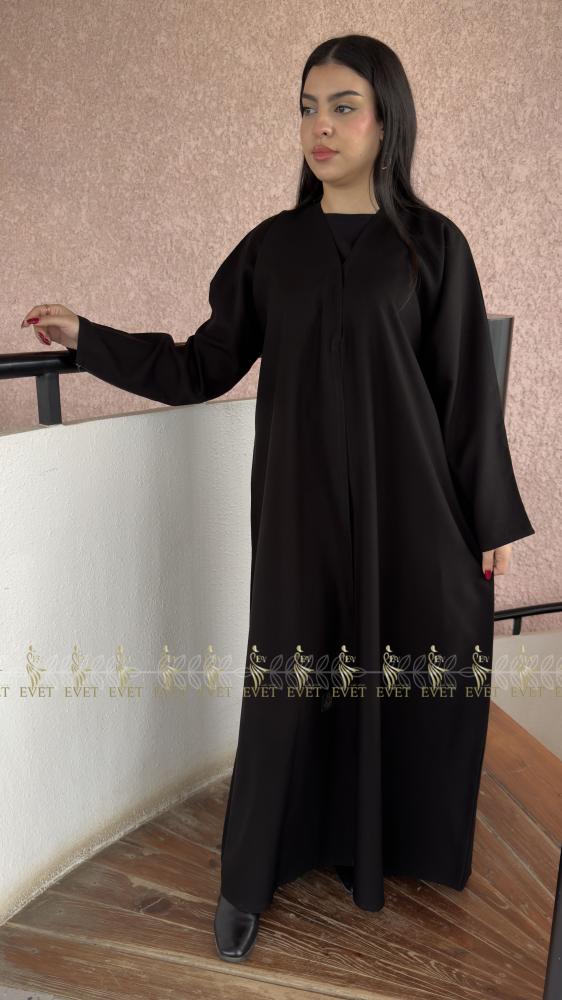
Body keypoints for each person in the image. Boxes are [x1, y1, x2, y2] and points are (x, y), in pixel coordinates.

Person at [21, 34, 535, 964]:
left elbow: (466, 393)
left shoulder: (433, 246)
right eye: (307, 108)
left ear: (386, 120)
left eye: (343, 107)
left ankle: (390, 846)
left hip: (411, 515)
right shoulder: (273, 249)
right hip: (301, 518)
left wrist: (490, 518)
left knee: (410, 664)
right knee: (291, 678)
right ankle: (252, 872)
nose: (320, 127)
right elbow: (200, 365)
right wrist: (89, 338)